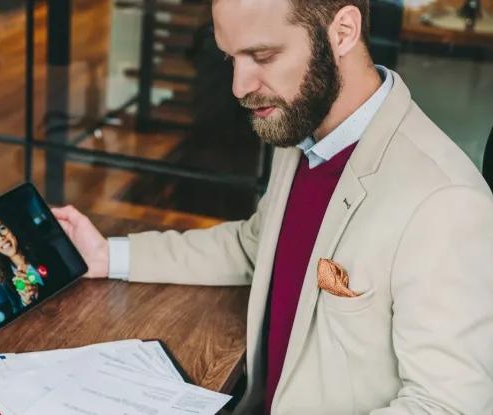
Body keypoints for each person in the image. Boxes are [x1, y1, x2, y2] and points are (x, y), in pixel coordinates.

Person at [52, 0, 493, 414]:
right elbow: (256, 246)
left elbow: (448, 406)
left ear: (342, 32)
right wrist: (109, 255)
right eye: (230, 58)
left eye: (262, 57)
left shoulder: (445, 202)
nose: (239, 86)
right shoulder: (303, 128)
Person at [0, 208, 69, 310]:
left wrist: (37, 292)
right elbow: (16, 310)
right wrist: (26, 301)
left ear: (11, 226)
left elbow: (67, 283)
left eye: (2, 228)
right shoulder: (4, 275)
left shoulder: (45, 251)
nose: (0, 238)